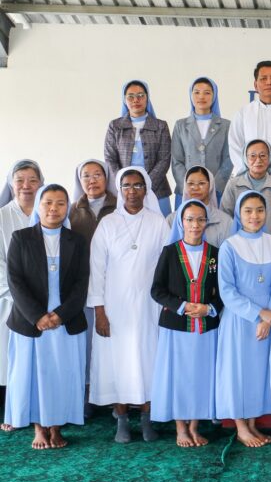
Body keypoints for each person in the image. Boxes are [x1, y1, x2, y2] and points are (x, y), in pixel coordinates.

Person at [88, 166, 169, 443]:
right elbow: (96, 271)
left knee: (149, 360)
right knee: (116, 362)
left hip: (149, 307)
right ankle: (121, 419)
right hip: (115, 308)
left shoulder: (158, 223)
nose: (132, 191)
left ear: (146, 190)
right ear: (119, 190)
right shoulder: (108, 224)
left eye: (137, 186)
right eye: (126, 186)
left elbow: (166, 266)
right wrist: (99, 311)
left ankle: (147, 419)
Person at [5, 185, 89, 449]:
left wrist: (61, 315)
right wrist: (38, 316)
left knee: (61, 373)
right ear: (39, 206)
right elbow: (15, 281)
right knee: (35, 374)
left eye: (60, 203)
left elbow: (81, 283)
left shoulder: (77, 241)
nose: (53, 208)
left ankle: (56, 427)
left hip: (66, 319)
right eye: (48, 202)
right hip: (31, 321)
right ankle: (39, 428)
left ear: (67, 208)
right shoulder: (20, 238)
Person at [150, 199, 222, 447]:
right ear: (181, 222)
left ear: (207, 222)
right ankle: (181, 428)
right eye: (190, 219)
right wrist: (182, 306)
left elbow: (222, 293)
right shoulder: (170, 252)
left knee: (201, 377)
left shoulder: (214, 254)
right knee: (179, 377)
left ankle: (195, 426)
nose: (195, 224)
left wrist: (208, 308)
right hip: (176, 327)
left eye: (200, 219)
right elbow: (157, 290)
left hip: (206, 328)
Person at [215, 191, 271, 447]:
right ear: (239, 214)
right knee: (237, 372)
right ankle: (241, 427)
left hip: (269, 320)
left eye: (259, 210)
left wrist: (269, 317)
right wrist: (258, 314)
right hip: (239, 320)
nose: (254, 216)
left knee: (259, 372)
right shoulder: (230, 246)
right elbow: (227, 291)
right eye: (248, 211)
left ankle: (253, 422)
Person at [68, 159, 117, 417]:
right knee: (88, 342)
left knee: (112, 341)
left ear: (106, 177)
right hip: (85, 286)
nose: (92, 180)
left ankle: (113, 394)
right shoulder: (73, 211)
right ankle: (88, 392)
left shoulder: (119, 206)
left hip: (118, 284)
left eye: (97, 174)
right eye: (86, 175)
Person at [0, 159, 43, 426]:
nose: (26, 186)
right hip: (10, 301)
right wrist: (21, 297)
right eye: (20, 180)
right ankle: (10, 412)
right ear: (11, 184)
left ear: (41, 183)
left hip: (46, 302)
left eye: (32, 180)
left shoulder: (50, 211)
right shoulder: (2, 216)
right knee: (10, 359)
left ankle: (42, 411)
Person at [104, 80, 172, 215]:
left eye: (141, 95)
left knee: (161, 231)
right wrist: (125, 185)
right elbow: (110, 158)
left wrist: (146, 185)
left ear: (147, 98)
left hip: (157, 190)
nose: (136, 100)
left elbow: (164, 159)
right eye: (131, 96)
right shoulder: (115, 126)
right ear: (124, 100)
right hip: (126, 192)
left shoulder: (160, 126)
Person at [170, 77, 233, 205]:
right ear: (191, 95)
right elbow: (176, 161)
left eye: (207, 92)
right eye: (197, 92)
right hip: (186, 193)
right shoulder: (180, 125)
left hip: (217, 192)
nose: (201, 96)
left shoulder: (225, 125)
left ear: (214, 96)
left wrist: (214, 187)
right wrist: (188, 187)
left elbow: (229, 160)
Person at [221, 140, 271, 238]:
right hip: (240, 243)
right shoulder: (234, 184)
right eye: (252, 155)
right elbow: (225, 216)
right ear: (245, 159)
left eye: (263, 155)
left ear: (270, 158)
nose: (258, 160)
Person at [167, 166, 233, 247]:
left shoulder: (225, 221)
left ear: (211, 185)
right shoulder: (172, 220)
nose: (196, 188)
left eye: (201, 183)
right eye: (191, 183)